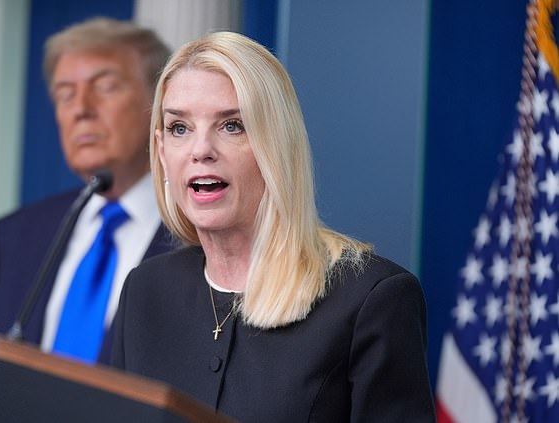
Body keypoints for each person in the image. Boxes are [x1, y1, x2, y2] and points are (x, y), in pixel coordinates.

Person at [111, 31, 436, 422]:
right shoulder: (145, 290)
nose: (200, 150)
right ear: (162, 151)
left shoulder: (371, 299)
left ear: (277, 145)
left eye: (232, 125)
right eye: (180, 128)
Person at [0, 17, 174, 364]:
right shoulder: (15, 236)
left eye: (105, 87)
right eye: (65, 94)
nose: (81, 109)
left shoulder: (198, 236)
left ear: (160, 104)